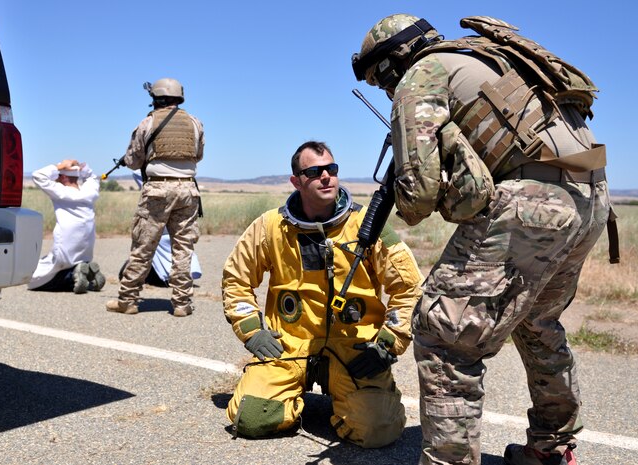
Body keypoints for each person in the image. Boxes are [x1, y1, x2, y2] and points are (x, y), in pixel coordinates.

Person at [352, 14, 616, 465]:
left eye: (382, 81)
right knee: (538, 325)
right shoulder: (487, 55)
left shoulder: (423, 74)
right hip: (591, 200)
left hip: (532, 204)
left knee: (445, 337)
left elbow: (416, 199)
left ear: (394, 61)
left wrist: (444, 183)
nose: (387, 92)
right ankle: (550, 450)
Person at [222, 141, 423, 448]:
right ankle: (294, 391)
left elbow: (408, 286)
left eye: (332, 169)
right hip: (289, 344)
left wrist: (387, 343)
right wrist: (251, 332)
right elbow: (236, 278)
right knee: (252, 417)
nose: (326, 176)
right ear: (296, 181)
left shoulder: (368, 225)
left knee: (376, 429)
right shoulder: (271, 227)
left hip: (354, 348)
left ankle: (356, 397)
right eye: (314, 171)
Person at [106, 77, 204, 317]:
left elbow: (133, 160)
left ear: (156, 98)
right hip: (188, 190)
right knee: (183, 249)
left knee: (143, 246)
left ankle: (128, 300)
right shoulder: (194, 123)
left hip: (157, 190)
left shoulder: (147, 123)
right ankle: (182, 304)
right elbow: (198, 155)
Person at [28, 159, 105, 294]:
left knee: (34, 281)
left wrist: (60, 166)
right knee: (66, 265)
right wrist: (83, 167)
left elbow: (37, 176)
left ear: (63, 177)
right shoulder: (89, 192)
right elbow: (93, 177)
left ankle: (73, 275)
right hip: (86, 248)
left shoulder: (61, 192)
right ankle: (85, 272)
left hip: (65, 246)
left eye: (58, 175)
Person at [119, 171, 203, 287]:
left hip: (158, 203)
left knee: (144, 250)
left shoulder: (153, 170)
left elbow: (137, 171)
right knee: (183, 247)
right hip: (185, 192)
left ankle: (128, 296)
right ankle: (182, 291)